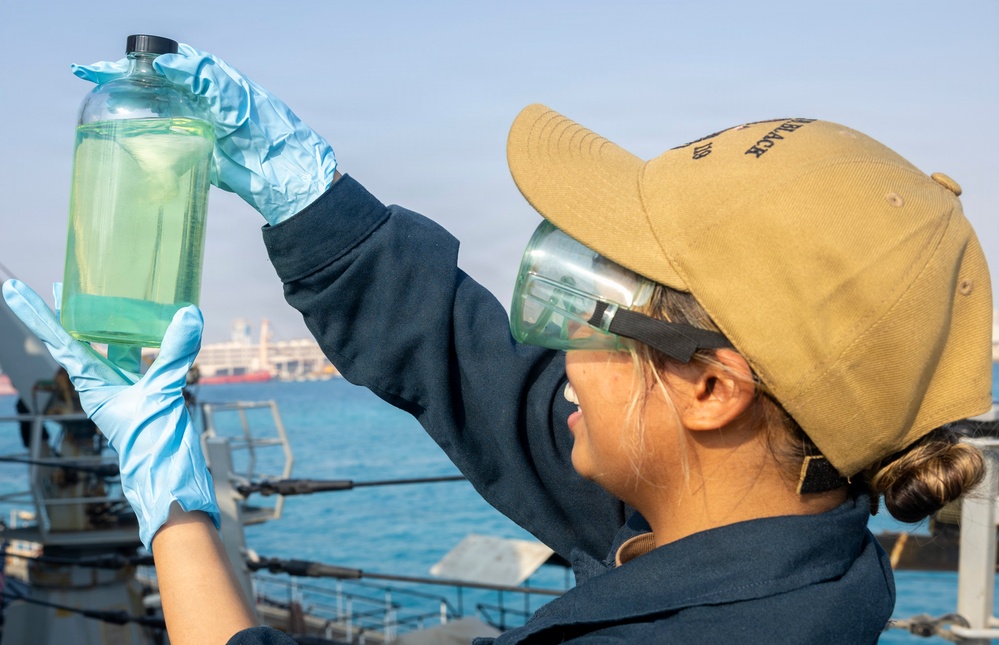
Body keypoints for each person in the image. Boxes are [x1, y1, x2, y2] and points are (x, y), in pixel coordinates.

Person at [2, 42, 992, 645]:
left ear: (710, 389)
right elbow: (483, 380)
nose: (555, 346)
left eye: (588, 304)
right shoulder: (791, 537)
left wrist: (170, 490)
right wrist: (305, 197)